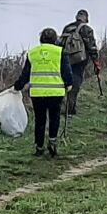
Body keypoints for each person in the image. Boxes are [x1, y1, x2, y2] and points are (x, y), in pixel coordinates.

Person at [14, 28, 74, 157]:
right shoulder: (60, 52)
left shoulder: (32, 53)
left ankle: (39, 147)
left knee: (40, 120)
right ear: (55, 39)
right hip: (56, 92)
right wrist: (69, 84)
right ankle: (52, 142)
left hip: (37, 93)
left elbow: (25, 74)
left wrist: (17, 87)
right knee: (54, 118)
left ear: (41, 39)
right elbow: (66, 71)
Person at [59, 9, 101, 116]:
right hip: (80, 60)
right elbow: (92, 47)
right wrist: (96, 62)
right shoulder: (87, 29)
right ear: (86, 19)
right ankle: (70, 109)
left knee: (65, 82)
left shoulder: (67, 28)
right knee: (76, 83)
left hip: (66, 59)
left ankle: (63, 106)